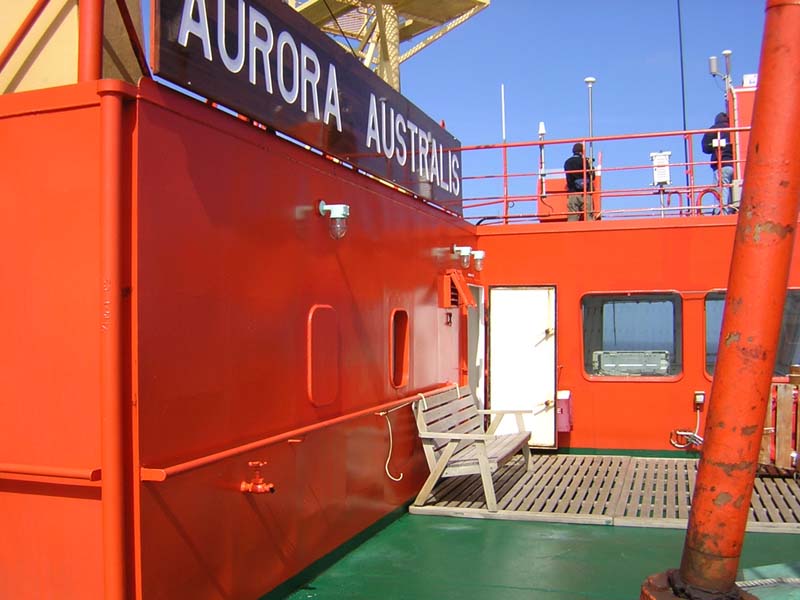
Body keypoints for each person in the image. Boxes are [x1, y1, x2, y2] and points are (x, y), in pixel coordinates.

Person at [701, 112, 736, 214]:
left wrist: (713, 146)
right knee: (733, 187)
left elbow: (705, 147)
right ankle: (733, 208)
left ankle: (721, 211)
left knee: (721, 187)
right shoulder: (733, 129)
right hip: (735, 165)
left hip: (721, 164)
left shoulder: (714, 130)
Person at [564, 142, 595, 221]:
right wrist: (591, 165)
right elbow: (592, 176)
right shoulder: (584, 161)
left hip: (572, 193)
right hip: (585, 193)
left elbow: (568, 176)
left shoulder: (567, 162)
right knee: (589, 216)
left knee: (572, 218)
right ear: (582, 151)